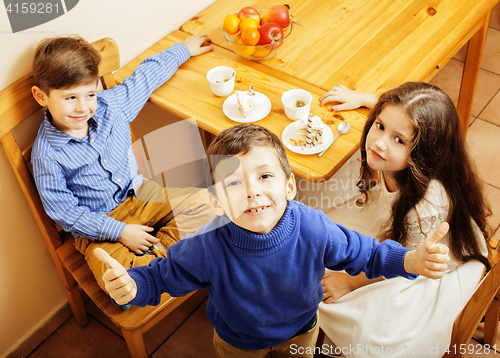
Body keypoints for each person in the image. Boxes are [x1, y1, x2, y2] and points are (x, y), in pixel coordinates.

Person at [94, 124, 451, 358]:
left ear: (289, 186)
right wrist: (132, 286)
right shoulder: (207, 244)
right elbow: (160, 277)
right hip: (238, 343)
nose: (252, 191)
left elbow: (366, 253)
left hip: (302, 331)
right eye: (232, 183)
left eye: (265, 176)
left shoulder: (313, 226)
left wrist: (409, 261)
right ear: (216, 200)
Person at [316, 82, 491, 357]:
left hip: (425, 261)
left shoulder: (427, 205)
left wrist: (349, 282)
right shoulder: (398, 149)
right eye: (380, 126)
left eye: (399, 140)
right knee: (317, 236)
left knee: (368, 331)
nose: (379, 143)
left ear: (424, 153)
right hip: (395, 227)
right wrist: (362, 98)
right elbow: (399, 114)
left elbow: (405, 261)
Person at [30, 34, 215, 291]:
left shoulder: (111, 107)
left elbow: (146, 77)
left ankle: (155, 258)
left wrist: (184, 49)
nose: (83, 107)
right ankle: (161, 265)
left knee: (210, 205)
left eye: (90, 94)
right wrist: (120, 232)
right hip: (98, 226)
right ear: (41, 97)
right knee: (114, 272)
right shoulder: (46, 155)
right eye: (70, 98)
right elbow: (65, 213)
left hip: (142, 195)